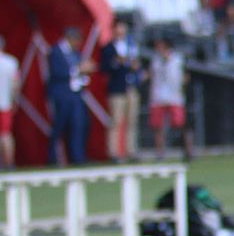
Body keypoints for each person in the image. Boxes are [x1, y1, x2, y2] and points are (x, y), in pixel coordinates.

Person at [100, 19, 143, 162]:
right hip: (117, 89)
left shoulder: (131, 46)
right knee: (116, 121)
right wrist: (116, 62)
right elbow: (104, 68)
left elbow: (136, 64)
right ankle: (113, 152)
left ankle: (131, 150)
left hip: (131, 87)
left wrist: (136, 68)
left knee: (132, 121)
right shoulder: (108, 48)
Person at [47, 27, 91, 165]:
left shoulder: (76, 53)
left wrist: (84, 73)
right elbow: (57, 72)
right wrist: (78, 69)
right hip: (61, 95)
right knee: (59, 127)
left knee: (78, 125)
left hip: (76, 94)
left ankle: (77, 157)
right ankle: (52, 158)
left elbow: (78, 71)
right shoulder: (55, 52)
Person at [147, 37, 189, 160]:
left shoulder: (178, 59)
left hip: (174, 96)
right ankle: (160, 153)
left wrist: (182, 85)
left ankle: (187, 150)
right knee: (157, 126)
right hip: (158, 96)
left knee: (180, 123)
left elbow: (185, 75)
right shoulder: (154, 60)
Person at [0, 34, 18, 170]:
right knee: (6, 134)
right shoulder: (11, 62)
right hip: (5, 103)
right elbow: (15, 84)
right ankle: (9, 163)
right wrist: (14, 100)